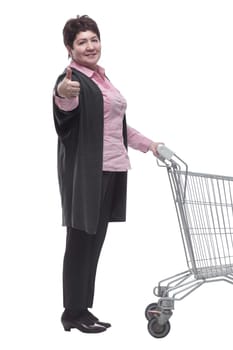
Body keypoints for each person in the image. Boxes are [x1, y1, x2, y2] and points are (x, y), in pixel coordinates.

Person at [53, 15, 162, 334]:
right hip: (88, 173)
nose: (90, 46)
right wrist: (64, 93)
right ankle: (72, 312)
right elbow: (65, 107)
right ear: (69, 48)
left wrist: (149, 145)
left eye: (94, 39)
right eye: (82, 41)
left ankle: (83, 309)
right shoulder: (73, 78)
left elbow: (117, 126)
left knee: (94, 242)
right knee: (80, 241)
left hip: (113, 168)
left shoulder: (102, 79)